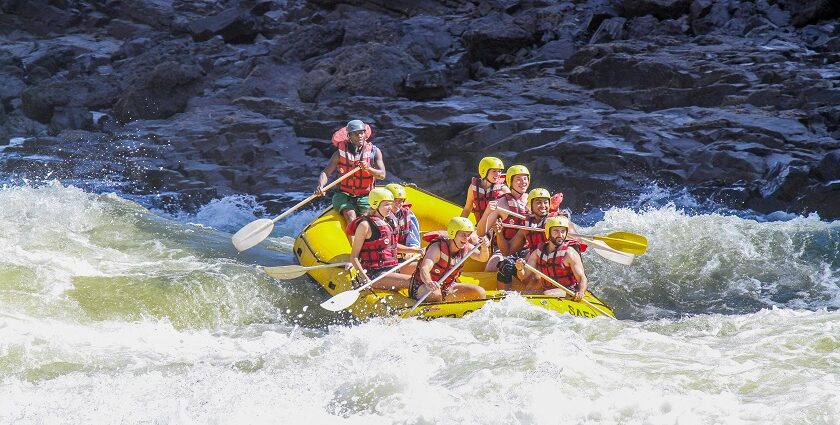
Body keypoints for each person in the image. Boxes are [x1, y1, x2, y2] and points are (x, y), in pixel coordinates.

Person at [315, 120, 386, 223]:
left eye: (361, 132)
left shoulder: (374, 152)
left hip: (366, 196)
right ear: (349, 136)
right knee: (351, 217)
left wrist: (368, 168)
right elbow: (326, 172)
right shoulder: (339, 153)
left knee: (368, 221)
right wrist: (320, 186)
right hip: (344, 195)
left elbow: (382, 175)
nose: (360, 136)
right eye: (356, 133)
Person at [346, 188, 416, 291]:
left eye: (390, 204)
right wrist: (365, 279)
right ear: (375, 205)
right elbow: (354, 257)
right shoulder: (365, 225)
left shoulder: (388, 221)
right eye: (386, 204)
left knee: (421, 268)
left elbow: (391, 247)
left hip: (392, 268)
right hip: (375, 274)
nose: (390, 207)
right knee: (414, 281)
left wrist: (416, 250)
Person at [409, 217, 491, 303]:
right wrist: (429, 282)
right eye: (463, 234)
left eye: (468, 234)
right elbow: (424, 268)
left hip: (446, 287)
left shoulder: (467, 247)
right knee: (435, 293)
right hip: (423, 286)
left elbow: (482, 258)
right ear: (453, 233)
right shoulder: (437, 248)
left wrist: (484, 248)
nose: (466, 238)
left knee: (480, 292)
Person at [514, 216, 589, 301]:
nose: (560, 235)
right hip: (547, 289)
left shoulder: (569, 253)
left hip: (568, 291)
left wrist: (581, 292)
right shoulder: (538, 252)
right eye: (556, 231)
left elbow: (582, 278)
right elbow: (523, 276)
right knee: (521, 295)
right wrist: (520, 269)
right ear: (548, 232)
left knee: (547, 294)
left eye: (563, 231)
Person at [481, 164, 531, 271]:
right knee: (491, 267)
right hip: (503, 247)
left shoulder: (534, 201)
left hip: (527, 249)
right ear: (510, 181)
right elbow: (483, 231)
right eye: (518, 179)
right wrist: (487, 213)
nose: (523, 182)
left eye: (525, 178)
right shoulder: (500, 203)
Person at [460, 156, 509, 223]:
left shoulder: (503, 189)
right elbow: (467, 209)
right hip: (480, 229)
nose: (498, 174)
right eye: (494, 171)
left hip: (498, 230)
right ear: (484, 171)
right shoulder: (473, 188)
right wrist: (460, 225)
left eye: (499, 171)